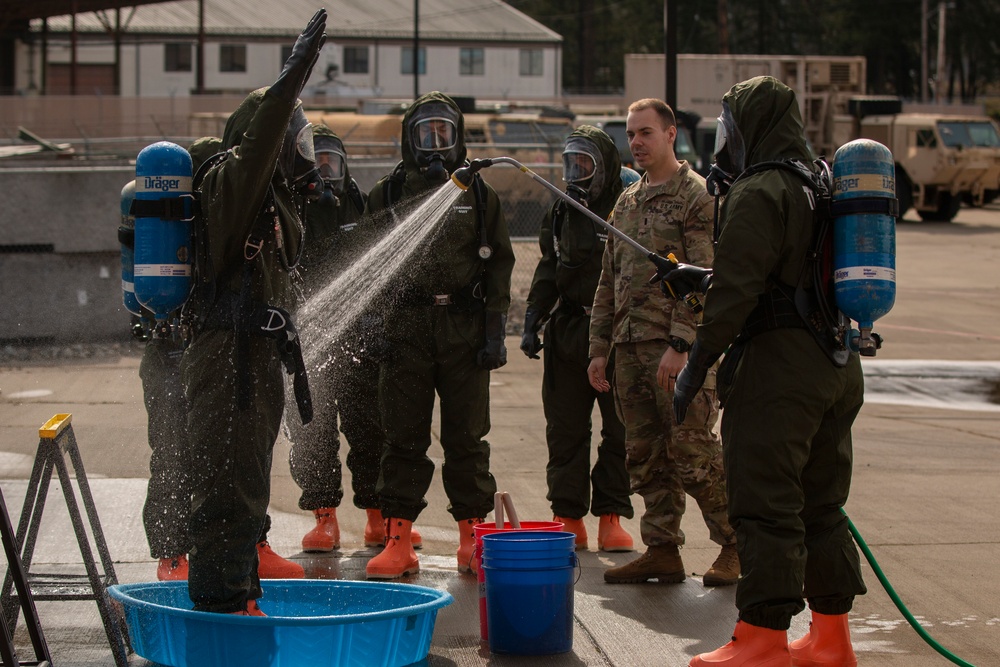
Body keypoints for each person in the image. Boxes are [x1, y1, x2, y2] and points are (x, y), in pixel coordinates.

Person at [671, 76, 866, 666]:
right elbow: (788, 274)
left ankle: (762, 638)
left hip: (779, 371)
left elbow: (736, 295)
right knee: (820, 504)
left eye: (730, 125)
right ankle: (830, 640)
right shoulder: (820, 182)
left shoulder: (761, 188)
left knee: (765, 502)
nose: (726, 139)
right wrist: (705, 279)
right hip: (836, 360)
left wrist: (696, 365)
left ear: (752, 126)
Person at [180, 9, 326, 615]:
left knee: (245, 480)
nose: (302, 151)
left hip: (253, 359)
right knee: (227, 484)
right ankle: (221, 607)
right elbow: (261, 143)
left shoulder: (267, 199)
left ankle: (243, 595)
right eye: (295, 137)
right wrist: (291, 77)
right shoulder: (231, 185)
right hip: (230, 358)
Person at [362, 91, 515, 579]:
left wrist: (494, 334)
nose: (434, 145)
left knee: (467, 437)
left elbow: (500, 270)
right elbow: (364, 268)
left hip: (464, 330)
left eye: (443, 134)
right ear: (408, 141)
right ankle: (398, 539)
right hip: (404, 329)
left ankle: (473, 537)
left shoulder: (480, 195)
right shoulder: (386, 195)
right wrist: (373, 329)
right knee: (401, 436)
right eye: (424, 135)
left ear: (458, 138)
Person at [586, 98, 739, 586]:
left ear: (671, 134)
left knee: (692, 453)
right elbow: (608, 282)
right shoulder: (627, 201)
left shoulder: (696, 197)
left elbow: (704, 280)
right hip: (629, 350)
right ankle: (662, 549)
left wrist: (681, 343)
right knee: (645, 456)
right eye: (630, 134)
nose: (636, 142)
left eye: (646, 133)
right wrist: (598, 349)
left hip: (679, 352)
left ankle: (737, 544)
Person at [286, 125, 423, 552]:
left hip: (358, 335)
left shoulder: (359, 203)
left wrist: (378, 321)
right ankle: (324, 518)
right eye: (317, 160)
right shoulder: (291, 206)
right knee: (311, 431)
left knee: (369, 427)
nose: (326, 169)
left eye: (333, 160)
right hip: (307, 339)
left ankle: (376, 517)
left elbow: (378, 263)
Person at [521, 125, 634, 553]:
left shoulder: (628, 208)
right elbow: (549, 267)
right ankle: (569, 516)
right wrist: (534, 317)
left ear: (604, 167)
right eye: (572, 163)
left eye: (585, 164)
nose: (577, 173)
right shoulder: (562, 210)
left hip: (617, 336)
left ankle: (611, 516)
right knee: (566, 429)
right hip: (568, 332)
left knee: (620, 430)